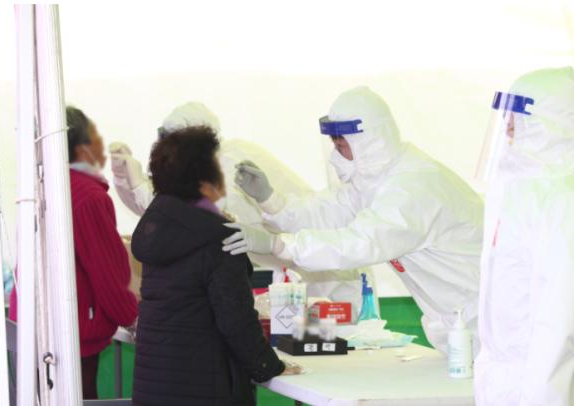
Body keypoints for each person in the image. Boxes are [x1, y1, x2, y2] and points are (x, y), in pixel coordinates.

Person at [224, 86, 484, 354]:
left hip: (484, 319)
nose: (335, 156)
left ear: (368, 142)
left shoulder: (414, 187)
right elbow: (325, 213)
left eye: (341, 146)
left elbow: (360, 242)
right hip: (457, 323)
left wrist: (280, 245)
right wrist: (270, 200)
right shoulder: (373, 183)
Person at [109, 102, 374, 319]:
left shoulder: (227, 164)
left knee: (340, 347)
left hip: (332, 278)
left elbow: (184, 220)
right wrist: (125, 179)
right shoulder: (206, 165)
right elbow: (165, 210)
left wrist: (138, 185)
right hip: (300, 272)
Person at [130, 126, 299, 405]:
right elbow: (236, 319)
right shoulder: (218, 237)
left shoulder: (158, 225)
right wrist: (269, 366)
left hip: (156, 384)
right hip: (206, 386)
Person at [9, 106, 139, 399]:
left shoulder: (37, 189)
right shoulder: (87, 196)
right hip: (71, 335)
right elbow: (106, 272)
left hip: (32, 328)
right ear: (83, 146)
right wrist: (132, 316)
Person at [474, 67, 574, 405]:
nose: (508, 127)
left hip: (533, 386)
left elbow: (558, 324)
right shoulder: (519, 192)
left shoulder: (561, 199)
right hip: (503, 380)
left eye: (518, 117)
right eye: (507, 117)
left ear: (551, 123)